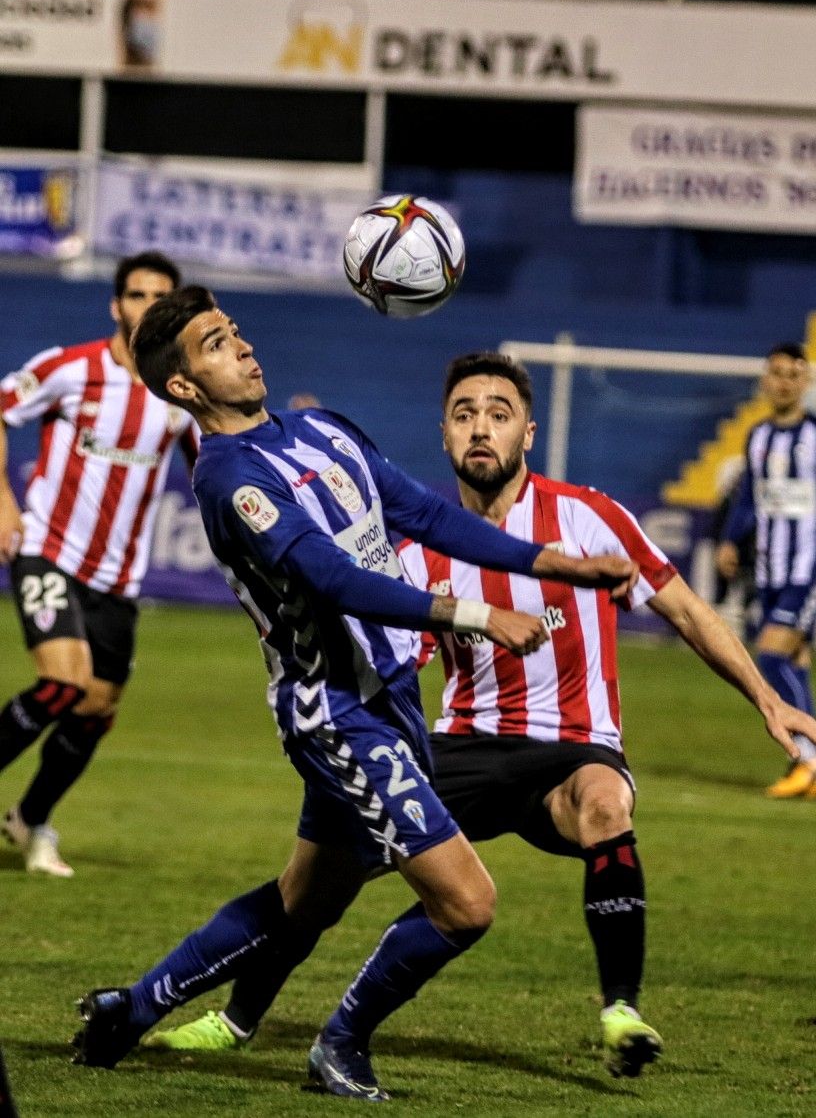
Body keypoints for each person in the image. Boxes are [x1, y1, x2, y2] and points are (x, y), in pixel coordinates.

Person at [77, 348, 816, 1088]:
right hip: (462, 745)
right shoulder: (415, 549)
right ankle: (237, 1017)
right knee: (317, 885)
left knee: (603, 807)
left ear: (528, 433)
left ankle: (618, 1009)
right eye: (464, 415)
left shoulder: (589, 519)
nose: (481, 428)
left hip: (575, 747)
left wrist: (768, 698)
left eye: (500, 413)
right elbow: (383, 649)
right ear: (443, 433)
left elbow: (685, 609)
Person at [71, 288, 656, 1101]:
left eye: (234, 331)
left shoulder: (323, 429)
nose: (241, 348)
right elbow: (331, 577)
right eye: (214, 344)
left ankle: (129, 1011)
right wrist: (481, 612)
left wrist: (552, 564)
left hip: (392, 701)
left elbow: (421, 513)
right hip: (336, 715)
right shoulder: (229, 478)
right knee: (468, 904)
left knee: (303, 903)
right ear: (184, 387)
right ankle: (339, 1045)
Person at [0, 251, 192, 878]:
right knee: (64, 682)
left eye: (159, 298)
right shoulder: (69, 368)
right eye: (136, 296)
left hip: (119, 577)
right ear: (116, 305)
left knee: (95, 709)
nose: (146, 307)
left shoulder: (180, 389)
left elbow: (210, 459)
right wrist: (3, 502)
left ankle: (30, 819)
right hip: (49, 552)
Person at [716, 342, 816, 801]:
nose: (784, 381)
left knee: (770, 656)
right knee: (794, 663)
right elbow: (750, 498)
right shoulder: (757, 436)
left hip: (811, 566)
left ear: (805, 382)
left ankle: (809, 762)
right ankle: (809, 770)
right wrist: (728, 537)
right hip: (770, 569)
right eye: (777, 373)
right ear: (766, 380)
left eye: (793, 374)